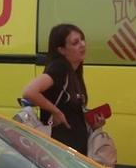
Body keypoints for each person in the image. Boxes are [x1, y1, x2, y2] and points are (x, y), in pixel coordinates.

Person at [22, 23, 91, 155]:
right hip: (59, 148)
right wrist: (56, 112)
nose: (82, 44)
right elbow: (29, 91)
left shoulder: (74, 72)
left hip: (74, 148)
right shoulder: (59, 68)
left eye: (82, 40)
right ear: (62, 50)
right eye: (75, 43)